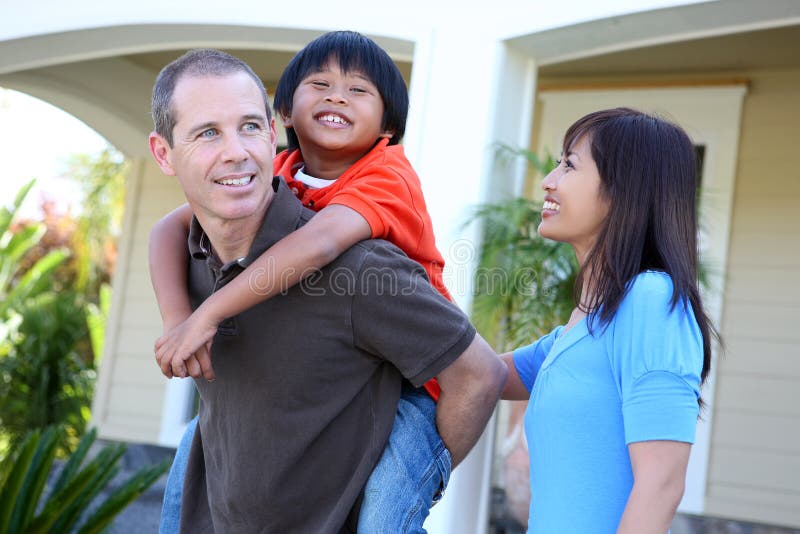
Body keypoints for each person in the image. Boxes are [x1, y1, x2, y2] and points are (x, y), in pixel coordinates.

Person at [147, 48, 507, 533]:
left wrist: (208, 313)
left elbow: (318, 244)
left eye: (248, 127)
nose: (235, 150)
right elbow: (164, 230)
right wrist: (177, 320)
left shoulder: (376, 203)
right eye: (209, 132)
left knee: (387, 510)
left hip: (421, 390)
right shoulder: (277, 175)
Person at [500, 108, 717, 533]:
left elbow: (662, 482)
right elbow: (480, 373)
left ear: (623, 191)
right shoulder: (584, 325)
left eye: (569, 165)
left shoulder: (652, 302)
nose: (549, 180)